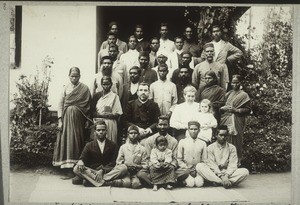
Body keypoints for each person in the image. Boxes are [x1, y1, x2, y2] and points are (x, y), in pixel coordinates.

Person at [53, 67, 92, 176]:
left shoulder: (84, 89)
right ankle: (66, 168)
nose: (74, 78)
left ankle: (76, 166)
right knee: (66, 140)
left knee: (76, 140)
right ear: (69, 76)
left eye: (76, 76)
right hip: (66, 121)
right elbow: (60, 104)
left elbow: (88, 106)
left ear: (80, 76)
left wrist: (87, 121)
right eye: (72, 76)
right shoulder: (65, 88)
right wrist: (60, 121)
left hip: (78, 121)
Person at [72, 120, 118, 187]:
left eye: (103, 130)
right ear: (95, 132)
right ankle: (105, 182)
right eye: (98, 130)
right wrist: (80, 161)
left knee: (123, 168)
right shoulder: (89, 145)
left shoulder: (113, 145)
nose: (101, 132)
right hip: (92, 171)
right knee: (76, 168)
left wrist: (103, 170)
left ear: (106, 131)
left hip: (107, 171)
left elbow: (113, 162)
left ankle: (90, 180)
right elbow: (83, 157)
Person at [220, 75, 251, 162]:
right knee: (226, 138)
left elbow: (248, 109)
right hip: (226, 119)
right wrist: (222, 109)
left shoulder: (244, 95)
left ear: (240, 83)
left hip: (237, 120)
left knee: (237, 140)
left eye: (237, 82)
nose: (235, 84)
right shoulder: (228, 94)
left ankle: (237, 161)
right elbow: (223, 105)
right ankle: (226, 161)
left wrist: (236, 110)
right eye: (233, 82)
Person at [90, 76, 123, 144]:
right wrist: (101, 115)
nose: (106, 86)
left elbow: (118, 113)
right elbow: (92, 112)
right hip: (98, 123)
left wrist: (109, 115)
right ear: (101, 85)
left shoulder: (115, 96)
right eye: (104, 84)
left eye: (108, 84)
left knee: (110, 144)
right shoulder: (96, 96)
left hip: (110, 123)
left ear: (111, 84)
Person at [177, 121, 207, 187]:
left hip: (198, 171)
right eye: (191, 129)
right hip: (186, 169)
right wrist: (186, 168)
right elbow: (179, 159)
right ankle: (183, 181)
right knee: (190, 184)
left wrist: (198, 170)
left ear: (199, 130)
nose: (193, 131)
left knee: (199, 184)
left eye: (195, 129)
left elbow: (204, 160)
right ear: (188, 130)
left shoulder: (203, 143)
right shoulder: (182, 142)